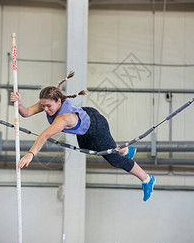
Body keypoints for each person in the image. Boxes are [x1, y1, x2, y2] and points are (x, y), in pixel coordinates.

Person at [11, 71, 156, 202]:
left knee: (113, 158)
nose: (45, 109)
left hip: (96, 125)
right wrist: (19, 103)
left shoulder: (63, 119)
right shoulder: (47, 101)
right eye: (43, 106)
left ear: (59, 101)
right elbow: (26, 113)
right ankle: (124, 150)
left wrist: (31, 154)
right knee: (86, 148)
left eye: (49, 106)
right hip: (84, 124)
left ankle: (146, 178)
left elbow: (45, 135)